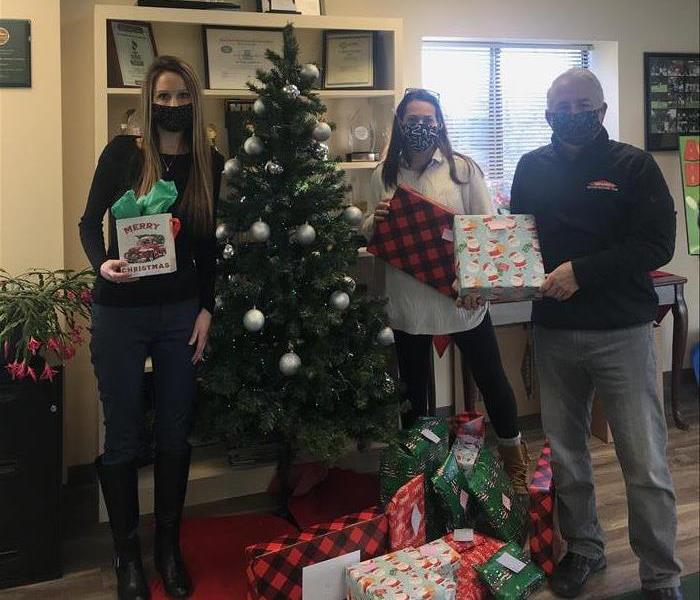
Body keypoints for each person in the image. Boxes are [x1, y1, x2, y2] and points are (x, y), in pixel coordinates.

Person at [510, 68, 683, 599]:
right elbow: (516, 241)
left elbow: (657, 246)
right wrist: (488, 279)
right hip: (555, 334)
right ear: (546, 112)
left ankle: (661, 576)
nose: (570, 115)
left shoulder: (634, 166)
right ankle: (584, 548)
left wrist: (581, 271)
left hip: (622, 333)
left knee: (645, 462)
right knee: (566, 456)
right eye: (559, 106)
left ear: (602, 110)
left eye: (581, 105)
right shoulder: (530, 166)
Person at [79, 56, 224, 600]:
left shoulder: (210, 162)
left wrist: (207, 308)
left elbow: (209, 247)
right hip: (119, 312)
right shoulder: (122, 154)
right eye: (163, 98)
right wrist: (101, 263)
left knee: (174, 432)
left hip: (180, 315)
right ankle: (127, 558)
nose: (173, 107)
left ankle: (168, 548)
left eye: (182, 98)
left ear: (195, 101)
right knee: (122, 435)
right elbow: (88, 222)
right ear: (148, 99)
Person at [361, 88, 529, 492]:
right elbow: (370, 232)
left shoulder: (463, 171)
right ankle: (420, 474)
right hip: (408, 305)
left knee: (492, 379)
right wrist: (374, 220)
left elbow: (487, 233)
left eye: (429, 120)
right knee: (413, 394)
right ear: (400, 123)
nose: (421, 127)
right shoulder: (382, 174)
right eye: (413, 120)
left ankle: (515, 462)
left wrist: (480, 286)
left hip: (461, 300)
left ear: (440, 124)